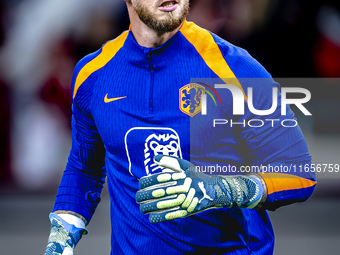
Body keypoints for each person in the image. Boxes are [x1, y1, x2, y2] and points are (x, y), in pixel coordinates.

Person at [44, 0, 317, 254]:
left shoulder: (234, 68)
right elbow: (84, 169)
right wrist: (60, 236)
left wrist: (221, 190)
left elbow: (299, 173)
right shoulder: (92, 74)